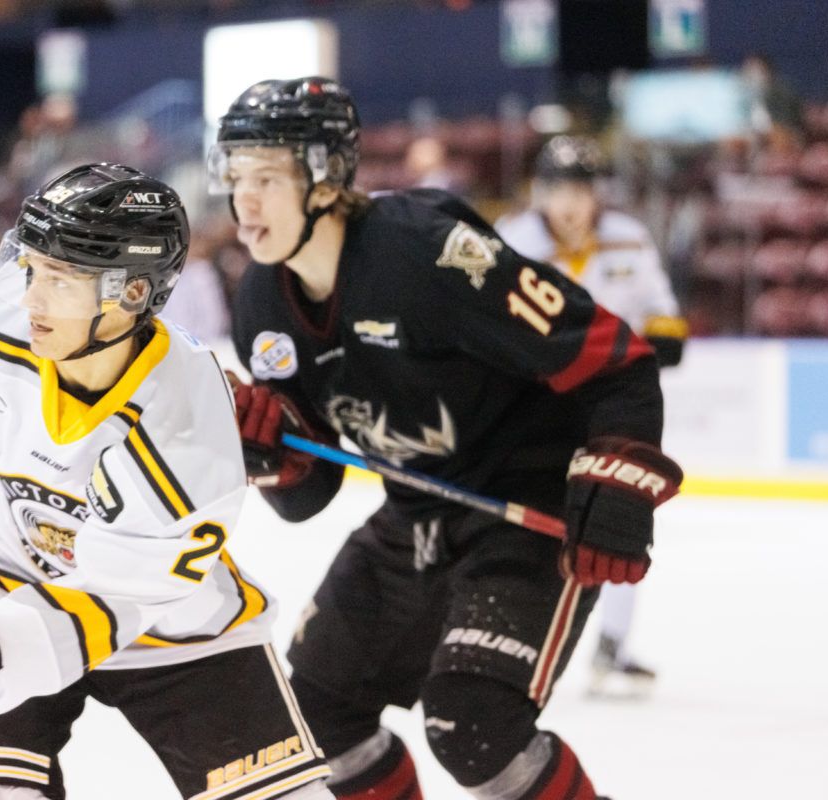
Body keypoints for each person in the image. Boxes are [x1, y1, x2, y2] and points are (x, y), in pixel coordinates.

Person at [0, 163, 333, 800]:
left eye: (62, 280)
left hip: (173, 630)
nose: (31, 298)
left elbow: (110, 601)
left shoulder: (189, 428)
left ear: (131, 295)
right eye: (30, 267)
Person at [209, 78, 683, 800]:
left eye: (266, 177)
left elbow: (616, 363)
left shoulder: (430, 256)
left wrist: (619, 489)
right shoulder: (262, 302)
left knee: (475, 726)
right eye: (235, 176)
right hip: (415, 513)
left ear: (327, 176)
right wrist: (274, 456)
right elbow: (313, 493)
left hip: (523, 505)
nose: (244, 201)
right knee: (318, 720)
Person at [496, 134, 688, 697]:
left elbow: (662, 312)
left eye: (581, 187)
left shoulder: (628, 239)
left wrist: (659, 338)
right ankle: (509, 641)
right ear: (540, 192)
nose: (571, 201)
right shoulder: (512, 242)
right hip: (536, 405)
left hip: (611, 404)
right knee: (530, 525)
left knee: (620, 516)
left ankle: (611, 646)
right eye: (559, 188)